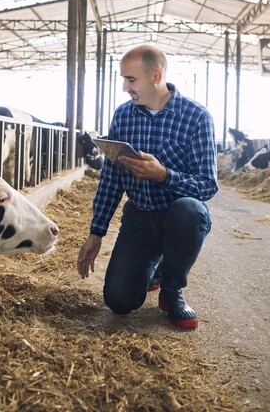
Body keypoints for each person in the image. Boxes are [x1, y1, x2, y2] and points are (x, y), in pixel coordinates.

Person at [77, 45, 218, 329]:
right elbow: (111, 177)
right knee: (119, 301)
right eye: (123, 79)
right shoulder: (123, 116)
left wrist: (164, 175)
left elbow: (207, 186)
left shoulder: (196, 118)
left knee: (190, 210)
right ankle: (152, 266)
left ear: (155, 76)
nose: (124, 87)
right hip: (139, 217)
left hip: (176, 217)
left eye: (131, 80)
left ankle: (171, 288)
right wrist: (96, 232)